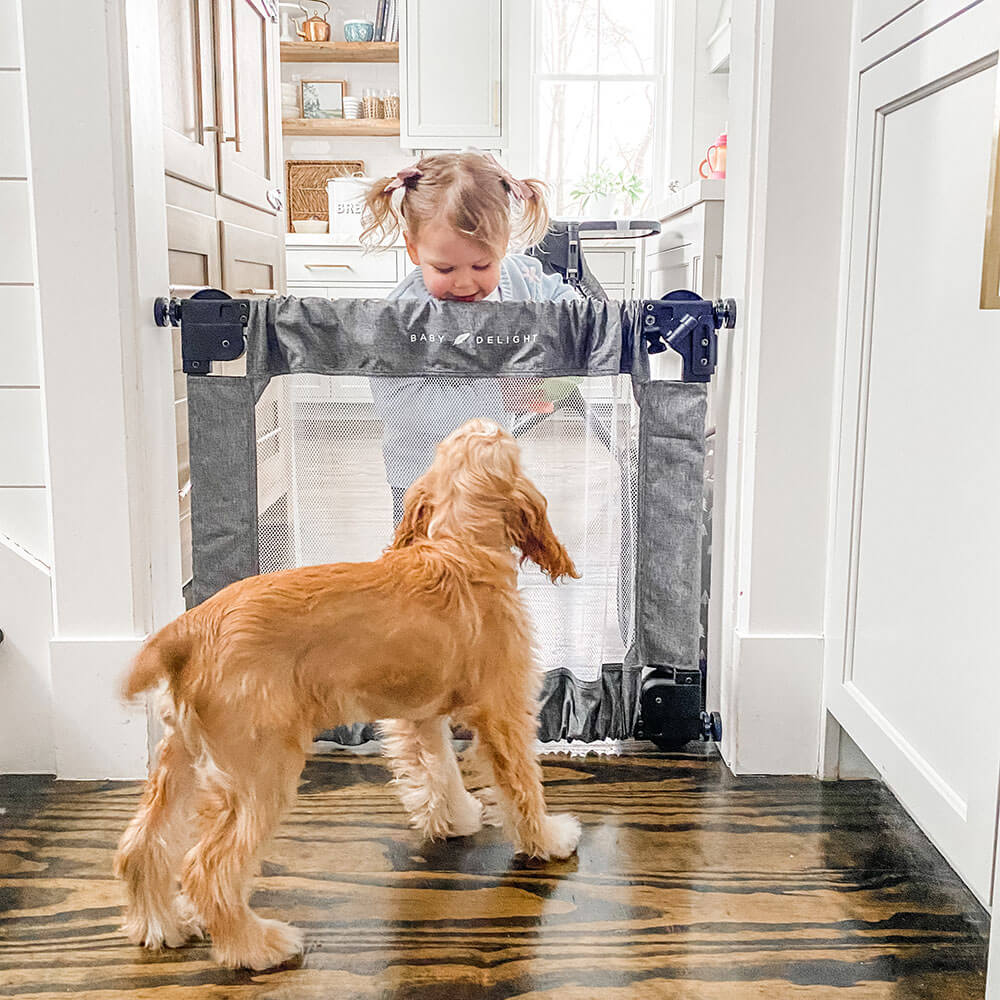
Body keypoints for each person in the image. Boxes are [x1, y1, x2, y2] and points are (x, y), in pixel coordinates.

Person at [360, 151, 579, 526]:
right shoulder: (404, 312)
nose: (464, 282)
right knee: (422, 567)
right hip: (421, 473)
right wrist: (501, 394)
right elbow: (400, 403)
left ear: (504, 244)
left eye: (482, 265)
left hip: (491, 467)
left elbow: (572, 311)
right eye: (444, 268)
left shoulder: (520, 279)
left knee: (487, 560)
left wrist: (549, 373)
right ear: (413, 248)